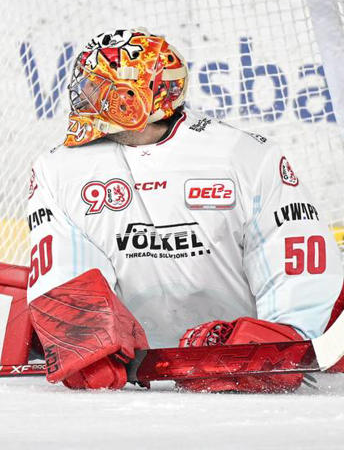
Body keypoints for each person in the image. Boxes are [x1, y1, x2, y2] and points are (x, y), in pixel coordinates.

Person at [26, 28, 343, 391]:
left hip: (243, 387)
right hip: (134, 382)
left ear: (143, 95)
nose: (84, 99)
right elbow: (64, 266)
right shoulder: (57, 168)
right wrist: (81, 337)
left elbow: (297, 259)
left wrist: (280, 345)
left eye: (99, 90)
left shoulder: (246, 156)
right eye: (85, 88)